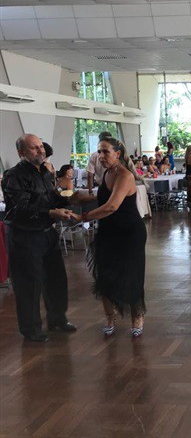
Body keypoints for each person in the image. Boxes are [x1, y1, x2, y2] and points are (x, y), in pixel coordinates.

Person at [1, 134, 77, 342]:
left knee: (56, 278)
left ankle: (57, 319)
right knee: (29, 284)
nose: (40, 150)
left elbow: (51, 197)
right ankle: (31, 329)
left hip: (46, 232)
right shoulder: (14, 176)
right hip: (25, 236)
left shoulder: (44, 172)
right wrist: (51, 212)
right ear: (21, 153)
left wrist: (69, 199)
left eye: (40, 147)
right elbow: (20, 208)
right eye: (34, 148)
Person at [76, 137, 147, 337]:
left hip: (129, 233)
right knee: (104, 275)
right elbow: (104, 196)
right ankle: (109, 316)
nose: (101, 156)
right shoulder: (107, 173)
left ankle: (137, 316)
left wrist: (83, 216)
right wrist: (81, 197)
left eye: (106, 151)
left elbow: (112, 206)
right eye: (99, 151)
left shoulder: (125, 176)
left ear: (118, 153)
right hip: (108, 231)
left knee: (131, 275)